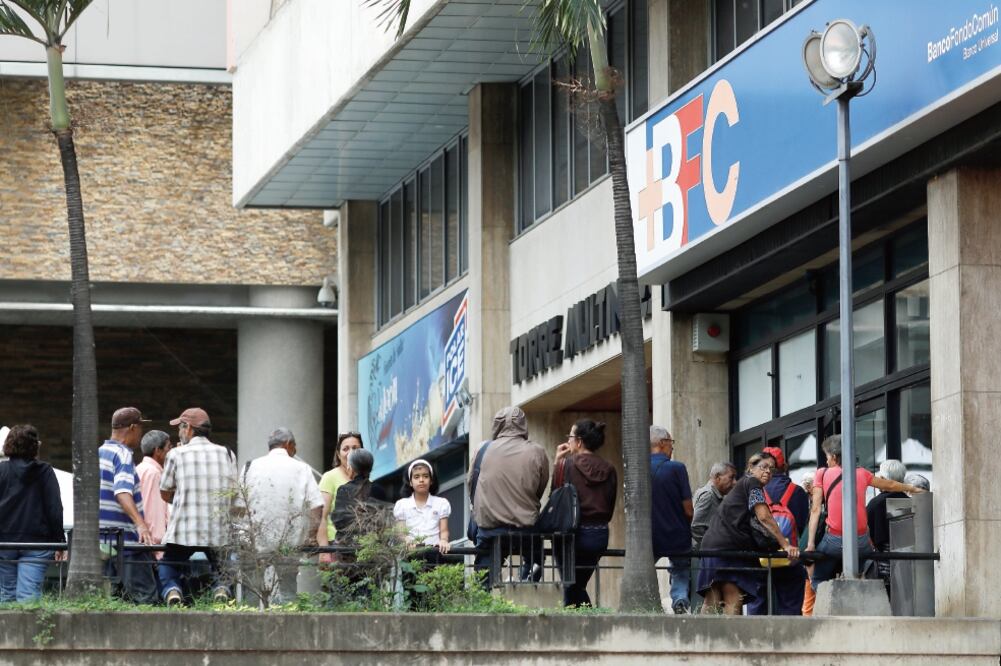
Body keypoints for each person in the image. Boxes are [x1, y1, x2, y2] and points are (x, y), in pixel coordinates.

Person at [806, 436, 925, 591]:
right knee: (865, 565)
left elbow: (815, 510)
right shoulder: (862, 473)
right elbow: (889, 484)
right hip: (861, 541)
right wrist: (912, 488)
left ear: (834, 456)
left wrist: (810, 544)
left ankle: (834, 599)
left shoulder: (821, 473)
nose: (826, 461)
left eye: (827, 457)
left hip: (834, 539)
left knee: (817, 577)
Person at [697, 452, 799, 615]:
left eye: (772, 469)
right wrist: (785, 545)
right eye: (763, 467)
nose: (768, 472)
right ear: (751, 468)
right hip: (729, 549)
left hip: (713, 546)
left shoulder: (743, 485)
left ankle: (701, 632)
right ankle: (730, 633)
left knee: (712, 599)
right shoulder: (752, 482)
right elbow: (764, 516)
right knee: (732, 597)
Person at [159, 407, 238, 606]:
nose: (179, 432)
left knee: (168, 564)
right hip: (217, 529)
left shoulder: (176, 454)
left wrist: (182, 493)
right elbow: (234, 492)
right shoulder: (227, 454)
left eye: (180, 427)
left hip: (185, 529)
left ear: (188, 428)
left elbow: (164, 492)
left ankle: (172, 590)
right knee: (222, 566)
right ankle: (221, 588)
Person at [469, 406, 549, 588]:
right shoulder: (537, 451)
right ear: (523, 424)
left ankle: (484, 599)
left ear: (496, 425)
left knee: (484, 579)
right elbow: (540, 486)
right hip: (526, 526)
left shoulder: (482, 449)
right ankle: (525, 590)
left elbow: (471, 483)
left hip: (489, 527)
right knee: (535, 561)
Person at [241, 427, 324, 604]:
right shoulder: (302, 468)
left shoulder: (249, 467)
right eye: (295, 447)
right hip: (289, 543)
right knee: (288, 593)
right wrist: (311, 537)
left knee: (251, 595)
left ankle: (249, 621)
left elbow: (238, 508)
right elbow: (316, 505)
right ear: (288, 444)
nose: (296, 451)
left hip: (254, 543)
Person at [551, 419, 616, 608]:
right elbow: (610, 507)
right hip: (599, 535)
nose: (568, 441)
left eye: (570, 437)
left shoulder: (566, 465)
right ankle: (584, 617)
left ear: (579, 441)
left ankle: (584, 619)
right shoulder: (610, 469)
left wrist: (557, 463)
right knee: (577, 586)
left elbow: (555, 498)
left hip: (570, 537)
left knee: (572, 586)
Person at [99, 407, 158, 604]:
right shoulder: (122, 454)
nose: (141, 434)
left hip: (103, 543)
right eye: (140, 428)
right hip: (126, 543)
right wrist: (141, 525)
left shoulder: (99, 453)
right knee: (146, 599)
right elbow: (122, 492)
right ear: (133, 428)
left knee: (113, 602)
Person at [0, 425, 64, 602]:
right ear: (35, 446)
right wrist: (60, 541)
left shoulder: (1, 470)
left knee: (5, 594)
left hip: (4, 542)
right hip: (37, 542)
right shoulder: (44, 471)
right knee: (29, 596)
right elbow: (54, 508)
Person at [746, 446, 809, 616]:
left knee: (756, 604)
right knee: (791, 605)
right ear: (785, 466)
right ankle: (789, 632)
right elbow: (802, 526)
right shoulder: (797, 492)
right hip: (789, 557)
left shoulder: (754, 489)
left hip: (759, 557)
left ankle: (754, 633)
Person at [393, 459, 451, 607]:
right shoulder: (402, 505)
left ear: (431, 480)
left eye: (425, 476)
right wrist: (407, 540)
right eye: (416, 476)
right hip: (411, 555)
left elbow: (444, 530)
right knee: (413, 599)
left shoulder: (441, 503)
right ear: (410, 482)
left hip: (434, 554)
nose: (421, 480)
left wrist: (444, 540)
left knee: (435, 598)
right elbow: (401, 532)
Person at [649, 425, 693, 614]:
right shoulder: (677, 468)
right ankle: (680, 600)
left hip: (649, 535)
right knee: (680, 569)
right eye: (670, 441)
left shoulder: (639, 469)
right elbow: (688, 509)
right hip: (677, 533)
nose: (672, 446)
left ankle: (648, 600)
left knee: (646, 568)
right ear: (661, 443)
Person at [317, 432, 364, 565]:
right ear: (338, 454)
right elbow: (321, 517)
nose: (351, 452)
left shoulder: (367, 481)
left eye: (355, 448)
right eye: (345, 449)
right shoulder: (329, 477)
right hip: (336, 546)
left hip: (363, 548)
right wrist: (324, 551)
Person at [866, 459, 909, 597]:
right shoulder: (910, 501)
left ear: (884, 479)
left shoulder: (875, 503)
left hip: (883, 566)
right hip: (909, 565)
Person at [137, 430, 173, 560]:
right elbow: (153, 513)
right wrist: (158, 550)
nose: (171, 452)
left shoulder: (141, 468)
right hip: (150, 547)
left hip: (142, 543)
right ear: (158, 450)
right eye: (169, 447)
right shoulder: (154, 473)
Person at [691, 462, 738, 550]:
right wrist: (712, 547)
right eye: (731, 477)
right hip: (702, 553)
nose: (735, 482)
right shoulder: (709, 495)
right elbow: (695, 527)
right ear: (718, 477)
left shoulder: (712, 494)